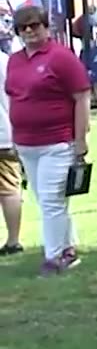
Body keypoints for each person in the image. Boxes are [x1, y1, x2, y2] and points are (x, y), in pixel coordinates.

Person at [6, 5, 91, 275]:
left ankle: (53, 257)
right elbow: (13, 96)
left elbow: (82, 98)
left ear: (46, 26)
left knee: (52, 200)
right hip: (25, 143)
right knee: (45, 200)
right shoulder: (15, 60)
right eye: (23, 28)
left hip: (57, 141)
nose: (29, 31)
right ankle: (67, 249)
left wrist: (80, 139)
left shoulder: (61, 58)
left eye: (34, 25)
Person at [0, 45, 23, 256]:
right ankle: (13, 239)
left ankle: (14, 240)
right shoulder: (7, 62)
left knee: (9, 190)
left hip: (5, 134)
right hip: (6, 134)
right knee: (9, 189)